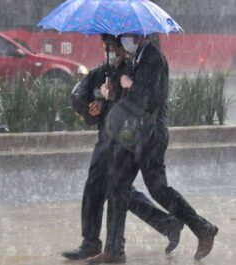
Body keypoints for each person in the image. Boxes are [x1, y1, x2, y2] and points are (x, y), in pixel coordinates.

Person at [86, 34, 219, 264]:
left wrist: (127, 86)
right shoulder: (139, 56)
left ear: (139, 35)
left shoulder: (153, 58)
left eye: (128, 35)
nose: (124, 40)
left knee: (159, 190)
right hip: (136, 136)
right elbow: (134, 100)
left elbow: (150, 99)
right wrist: (113, 91)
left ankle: (202, 227)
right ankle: (114, 250)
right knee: (117, 186)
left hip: (152, 137)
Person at [63, 34, 183, 262]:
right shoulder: (101, 72)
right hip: (105, 139)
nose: (111, 51)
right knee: (97, 187)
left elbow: (139, 103)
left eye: (114, 47)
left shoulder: (133, 70)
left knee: (118, 191)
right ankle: (91, 242)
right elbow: (82, 98)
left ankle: (161, 226)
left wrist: (115, 94)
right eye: (106, 47)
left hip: (123, 140)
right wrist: (92, 109)